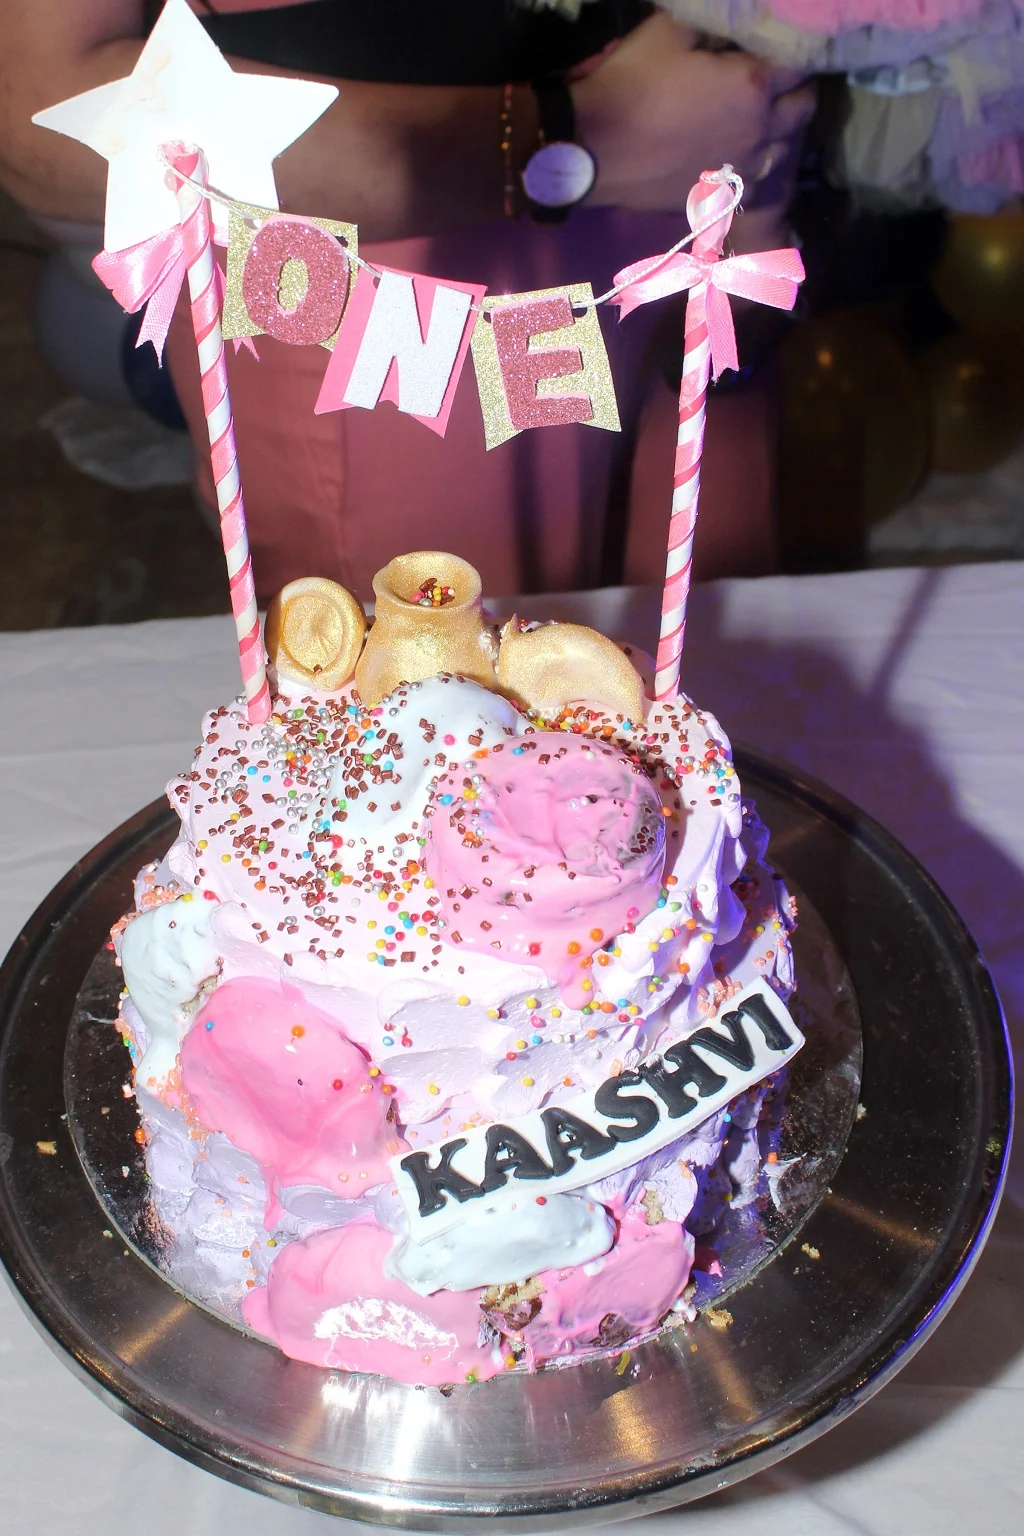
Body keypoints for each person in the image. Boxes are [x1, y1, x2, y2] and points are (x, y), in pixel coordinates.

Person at [0, 0, 814, 603]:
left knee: (706, 674)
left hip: (707, 198)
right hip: (395, 293)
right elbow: (35, 119)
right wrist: (578, 141)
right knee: (454, 717)